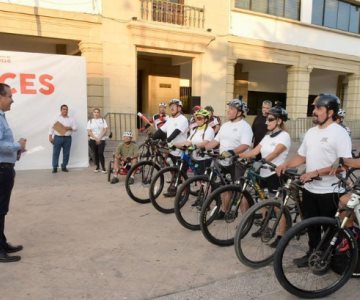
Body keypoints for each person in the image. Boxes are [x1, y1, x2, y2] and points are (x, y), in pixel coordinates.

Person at [276, 94, 352, 267]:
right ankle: (313, 253)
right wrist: (285, 164)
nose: (314, 111)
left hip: (330, 191)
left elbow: (344, 165)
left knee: (329, 229)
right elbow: (302, 156)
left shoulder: (339, 133)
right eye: (314, 108)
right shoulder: (311, 132)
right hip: (310, 189)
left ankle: (329, 258)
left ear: (330, 112)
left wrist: (316, 172)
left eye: (319, 108)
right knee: (311, 226)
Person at [239, 104, 291, 247]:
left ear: (279, 121)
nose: (266, 122)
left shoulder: (284, 136)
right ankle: (265, 226)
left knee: (277, 206)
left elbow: (275, 153)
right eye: (267, 119)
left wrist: (262, 161)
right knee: (262, 202)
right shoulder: (268, 136)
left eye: (270, 119)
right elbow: (255, 151)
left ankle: (281, 235)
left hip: (275, 174)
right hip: (263, 173)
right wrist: (237, 154)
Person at [204, 99, 253, 217]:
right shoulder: (225, 125)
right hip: (223, 161)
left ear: (239, 113)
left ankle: (245, 219)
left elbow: (245, 145)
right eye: (229, 108)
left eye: (232, 109)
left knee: (240, 191)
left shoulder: (245, 127)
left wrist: (231, 152)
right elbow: (216, 140)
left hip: (238, 163)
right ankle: (224, 211)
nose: (228, 111)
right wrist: (204, 148)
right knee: (225, 187)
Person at [0, 83, 26, 263]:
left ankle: (2, 243)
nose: (12, 99)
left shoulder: (2, 117)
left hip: (5, 168)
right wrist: (18, 145)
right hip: (1, 170)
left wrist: (15, 150)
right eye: (9, 96)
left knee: (2, 210)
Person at [152, 98, 189, 196]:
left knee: (181, 174)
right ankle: (174, 188)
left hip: (180, 151)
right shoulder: (170, 120)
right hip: (171, 150)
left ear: (179, 108)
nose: (171, 107)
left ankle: (184, 195)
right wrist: (152, 138)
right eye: (170, 106)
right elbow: (161, 130)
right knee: (173, 170)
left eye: (174, 105)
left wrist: (167, 140)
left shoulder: (183, 119)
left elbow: (176, 132)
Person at [175, 109, 215, 175]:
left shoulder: (209, 130)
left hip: (204, 158)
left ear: (205, 120)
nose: (197, 120)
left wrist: (194, 146)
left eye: (200, 118)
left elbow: (205, 142)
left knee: (203, 179)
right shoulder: (195, 130)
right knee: (197, 178)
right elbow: (188, 142)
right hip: (195, 157)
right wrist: (174, 145)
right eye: (196, 118)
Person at [49, 104, 77, 173]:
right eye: (64, 109)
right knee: (56, 153)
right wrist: (50, 137)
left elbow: (75, 128)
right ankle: (55, 167)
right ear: (61, 110)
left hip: (68, 138)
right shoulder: (56, 118)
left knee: (66, 153)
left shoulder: (71, 119)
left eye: (66, 109)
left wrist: (69, 128)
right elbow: (51, 127)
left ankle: (64, 166)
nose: (65, 110)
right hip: (57, 137)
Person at [87, 108, 108, 173]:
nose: (96, 113)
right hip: (93, 139)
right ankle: (97, 167)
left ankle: (103, 168)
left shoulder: (103, 120)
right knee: (95, 153)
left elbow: (105, 129)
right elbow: (89, 131)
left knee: (100, 153)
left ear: (99, 113)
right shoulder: (90, 121)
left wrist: (99, 138)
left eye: (97, 112)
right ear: (93, 113)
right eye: (95, 112)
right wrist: (96, 138)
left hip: (101, 139)